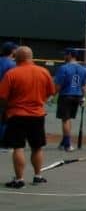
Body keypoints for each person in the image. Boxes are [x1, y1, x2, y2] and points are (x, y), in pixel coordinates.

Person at [0, 46, 57, 188]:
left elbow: (2, 96)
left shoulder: (12, 73)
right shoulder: (43, 72)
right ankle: (38, 176)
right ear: (31, 57)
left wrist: (7, 107)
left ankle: (19, 179)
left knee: (18, 147)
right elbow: (51, 91)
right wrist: (39, 101)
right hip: (37, 114)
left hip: (17, 114)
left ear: (17, 57)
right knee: (37, 147)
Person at [53, 48, 86, 152]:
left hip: (66, 96)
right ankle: (63, 142)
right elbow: (83, 86)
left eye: (65, 54)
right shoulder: (83, 69)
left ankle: (67, 144)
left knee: (65, 120)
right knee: (68, 119)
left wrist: (52, 96)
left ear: (70, 55)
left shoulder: (63, 68)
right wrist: (83, 97)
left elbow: (58, 85)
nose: (64, 56)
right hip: (77, 96)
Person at [0, 42, 17, 149]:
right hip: (5, 95)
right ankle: (3, 143)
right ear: (12, 51)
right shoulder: (12, 64)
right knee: (5, 119)